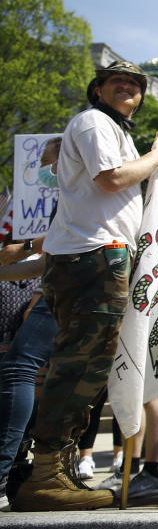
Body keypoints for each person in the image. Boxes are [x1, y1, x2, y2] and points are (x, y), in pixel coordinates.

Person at [13, 61, 158, 512]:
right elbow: (112, 180)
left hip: (100, 257)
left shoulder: (114, 132)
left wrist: (149, 155)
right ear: (98, 90)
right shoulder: (92, 122)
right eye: (117, 82)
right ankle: (45, 474)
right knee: (78, 365)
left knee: (89, 367)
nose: (128, 87)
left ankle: (56, 469)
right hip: (93, 259)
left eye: (135, 85)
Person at [0, 138, 59, 506]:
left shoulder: (77, 196)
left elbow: (51, 253)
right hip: (65, 284)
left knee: (20, 368)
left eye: (48, 162)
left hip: (75, 293)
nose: (42, 171)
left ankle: (9, 469)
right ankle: (21, 469)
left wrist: (24, 246)